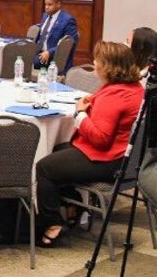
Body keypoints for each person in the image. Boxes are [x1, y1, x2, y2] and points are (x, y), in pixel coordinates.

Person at [34, 42, 144, 248]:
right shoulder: (134, 88)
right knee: (58, 150)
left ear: (109, 66)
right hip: (125, 158)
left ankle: (52, 224)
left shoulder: (115, 95)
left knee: (44, 167)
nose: (95, 63)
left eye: (98, 60)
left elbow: (100, 139)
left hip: (109, 161)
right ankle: (74, 207)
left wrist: (80, 114)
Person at [34, 0, 80, 69]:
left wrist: (50, 52)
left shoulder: (68, 20)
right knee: (18, 55)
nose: (46, 7)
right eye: (45, 4)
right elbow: (41, 37)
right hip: (39, 53)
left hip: (53, 58)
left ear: (58, 4)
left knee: (25, 62)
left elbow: (70, 43)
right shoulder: (45, 16)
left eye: (50, 4)